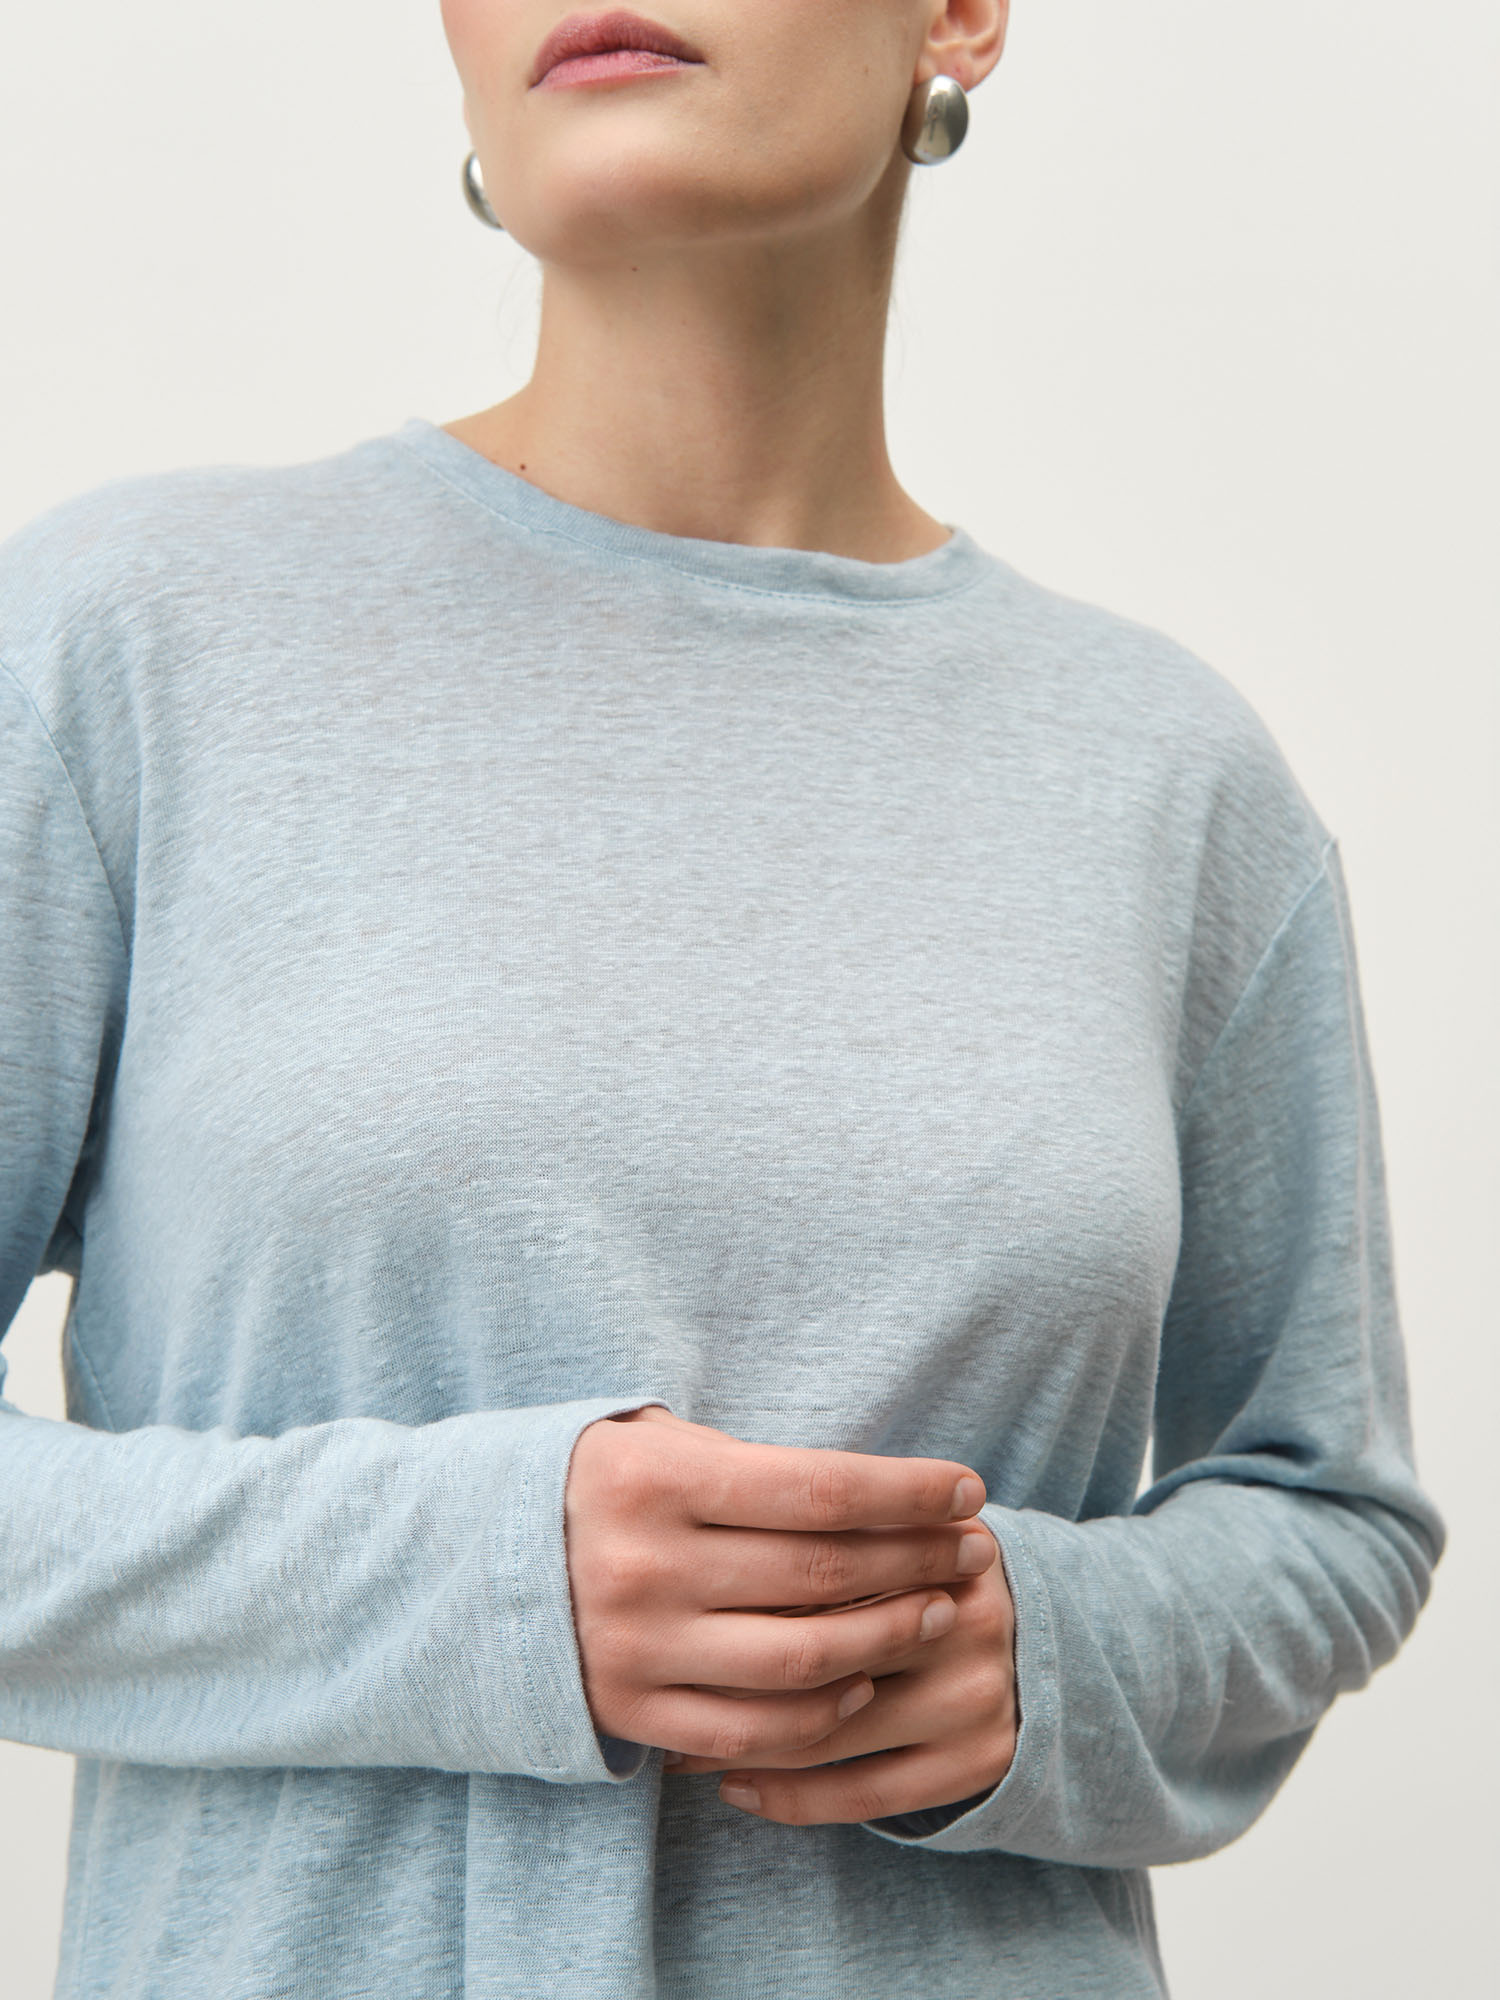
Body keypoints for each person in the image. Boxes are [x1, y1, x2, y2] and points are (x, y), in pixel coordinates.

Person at [0, 3, 1444, 1996]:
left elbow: (1329, 1506)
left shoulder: (1175, 782)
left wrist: (1047, 1655)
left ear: (959, 14)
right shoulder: (124, 649)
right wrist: (487, 1583)